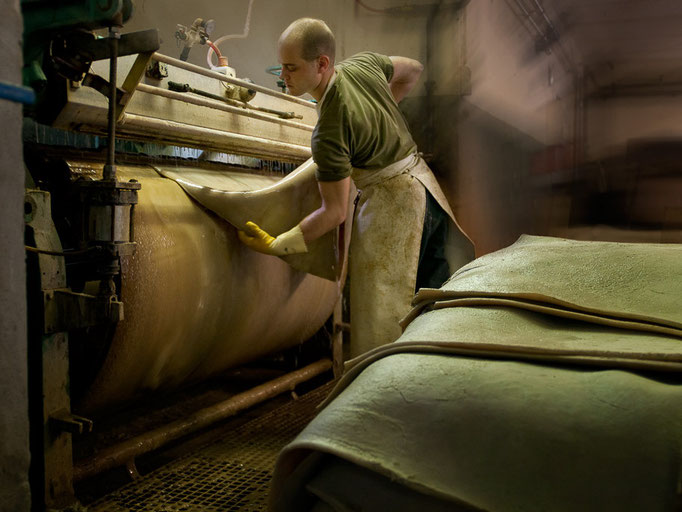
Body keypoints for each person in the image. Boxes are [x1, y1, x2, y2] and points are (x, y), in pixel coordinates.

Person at [239, 18, 473, 357]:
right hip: (426, 191)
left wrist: (280, 243)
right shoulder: (363, 65)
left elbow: (333, 213)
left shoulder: (330, 130)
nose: (282, 77)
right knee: (435, 303)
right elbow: (414, 68)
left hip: (395, 210)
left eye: (291, 68)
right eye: (281, 66)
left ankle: (388, 396)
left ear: (322, 64)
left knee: (385, 322)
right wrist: (384, 107)